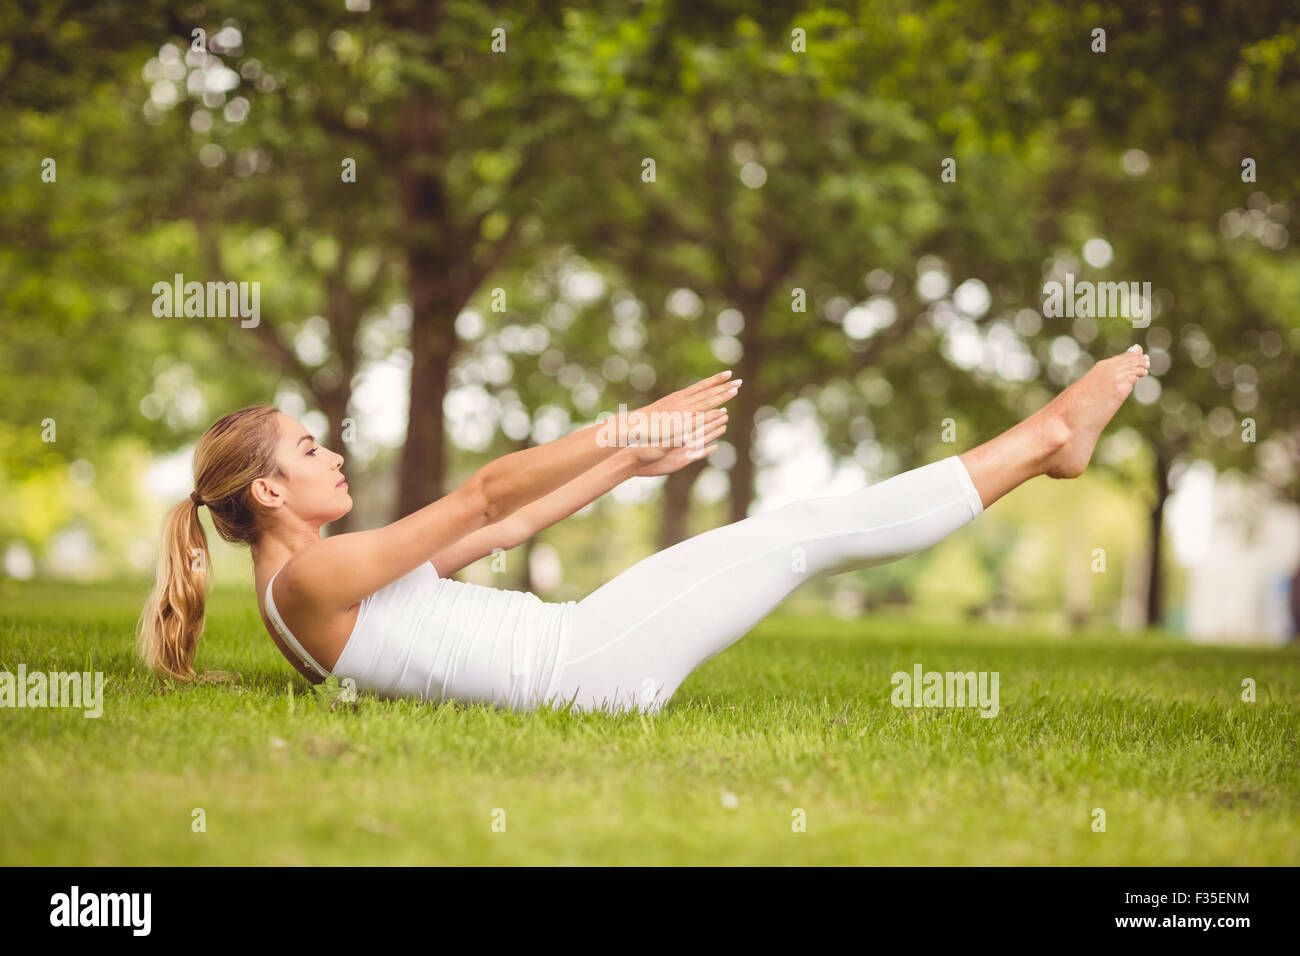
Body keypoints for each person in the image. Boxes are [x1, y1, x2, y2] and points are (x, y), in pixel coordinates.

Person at [137, 347, 1151, 714]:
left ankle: (1042, 440)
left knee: (795, 529)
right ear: (267, 492)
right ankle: (1048, 439)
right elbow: (487, 493)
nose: (334, 456)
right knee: (798, 531)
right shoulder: (311, 585)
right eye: (309, 450)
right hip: (583, 665)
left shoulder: (325, 580)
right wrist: (623, 420)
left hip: (586, 647)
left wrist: (628, 462)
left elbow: (510, 524)